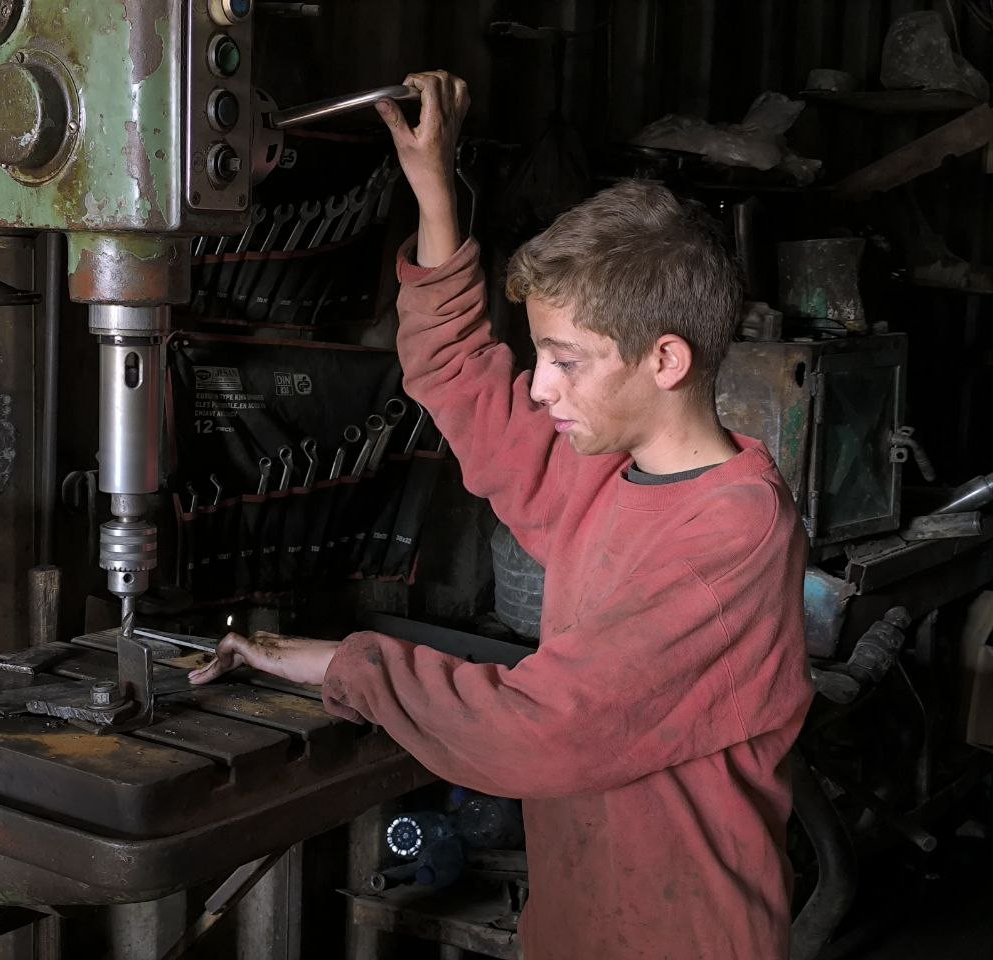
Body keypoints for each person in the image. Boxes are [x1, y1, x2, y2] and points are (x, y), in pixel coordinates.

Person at [189, 70, 813, 959]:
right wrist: (434, 189)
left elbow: (545, 730)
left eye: (565, 360)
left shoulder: (733, 534)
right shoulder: (604, 474)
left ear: (667, 359)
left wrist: (355, 666)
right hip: (578, 923)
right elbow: (459, 378)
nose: (540, 386)